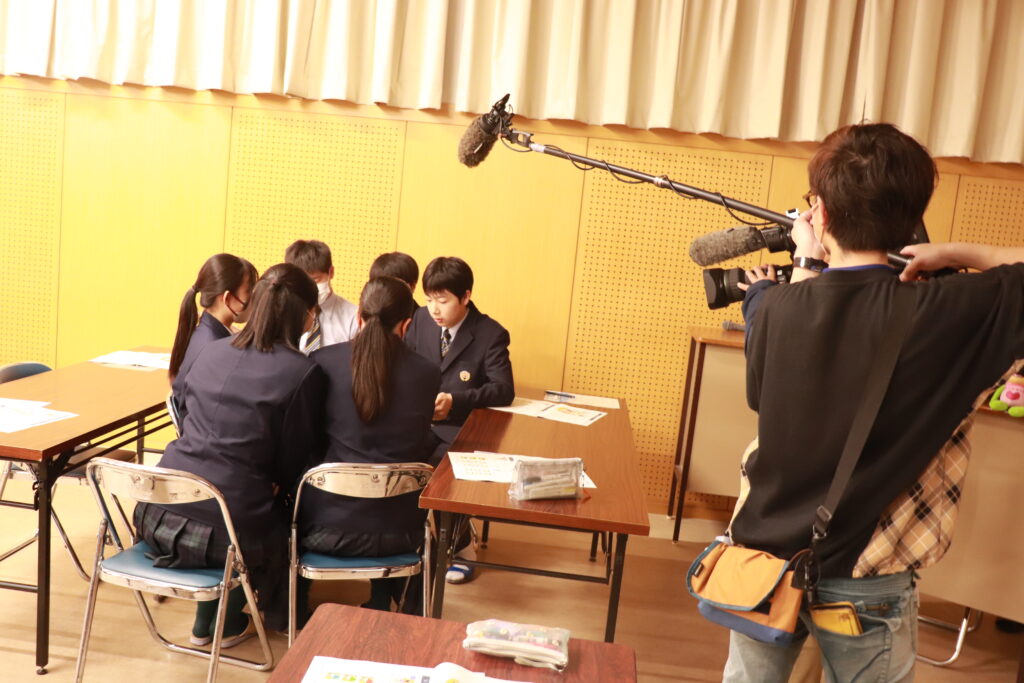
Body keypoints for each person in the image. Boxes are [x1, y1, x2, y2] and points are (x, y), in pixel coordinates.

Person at [724, 122, 1024, 682]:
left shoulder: (772, 308)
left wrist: (805, 262)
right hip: (868, 572)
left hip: (762, 562)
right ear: (911, 217)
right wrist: (956, 251)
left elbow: (765, 400)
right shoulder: (949, 312)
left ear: (821, 214)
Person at [135, 263, 326, 646]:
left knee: (232, 499)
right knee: (283, 515)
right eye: (313, 310)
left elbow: (187, 416)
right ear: (302, 314)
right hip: (226, 535)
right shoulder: (303, 371)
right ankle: (231, 621)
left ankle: (205, 623)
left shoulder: (211, 350)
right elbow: (294, 459)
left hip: (156, 514)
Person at [300, 276, 440, 616]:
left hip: (323, 531)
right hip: (402, 535)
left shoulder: (323, 361)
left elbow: (308, 439)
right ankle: (380, 600)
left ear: (359, 315)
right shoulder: (427, 373)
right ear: (406, 325)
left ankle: (294, 608)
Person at [405, 256, 514, 584]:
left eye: (442, 300)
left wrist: (455, 401)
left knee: (444, 471)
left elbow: (503, 390)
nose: (434, 309)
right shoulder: (420, 320)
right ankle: (411, 542)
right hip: (418, 422)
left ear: (466, 296)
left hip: (461, 429)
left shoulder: (490, 333)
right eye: (429, 299)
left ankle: (461, 545)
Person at [168, 253, 258, 414]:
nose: (254, 299)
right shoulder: (216, 347)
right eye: (249, 292)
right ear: (228, 298)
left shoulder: (207, 332)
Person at [285, 239, 359, 352]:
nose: (309, 288)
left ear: (331, 272)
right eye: (302, 282)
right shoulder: (285, 314)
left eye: (315, 280)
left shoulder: (353, 318)